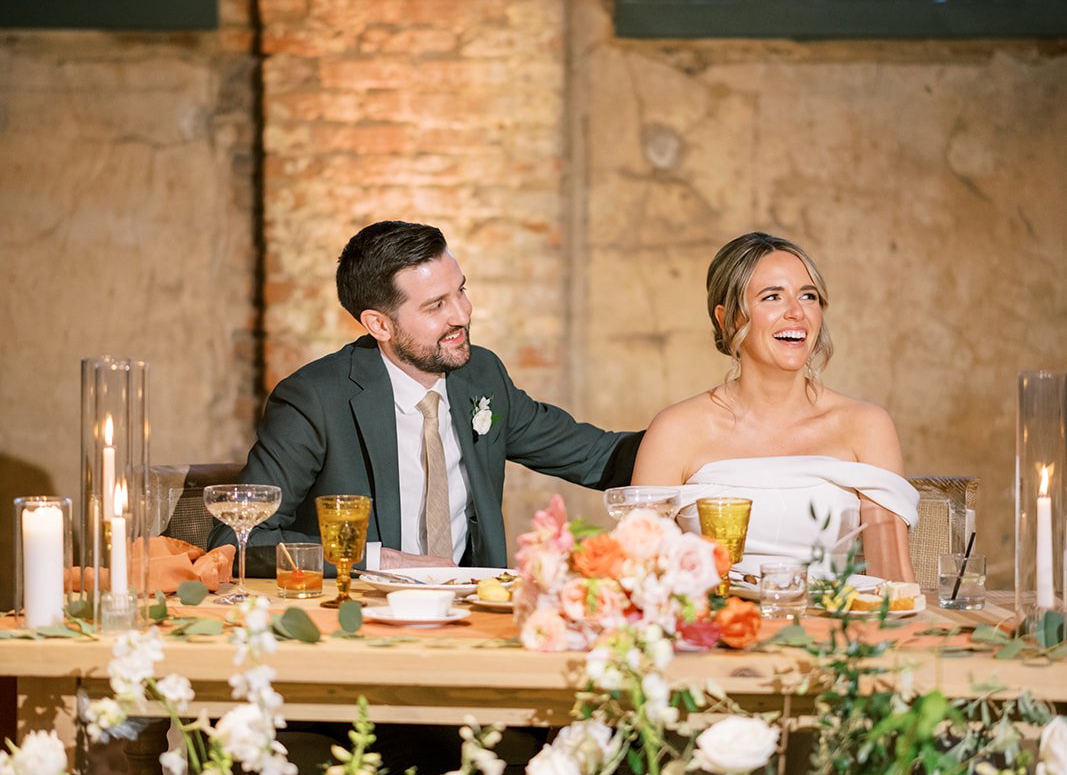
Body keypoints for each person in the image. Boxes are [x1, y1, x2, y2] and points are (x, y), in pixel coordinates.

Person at [210, 220, 641, 576]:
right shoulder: (314, 399)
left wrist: (704, 429)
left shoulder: (481, 374)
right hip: (358, 617)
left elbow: (595, 455)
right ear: (379, 324)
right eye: (436, 306)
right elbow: (238, 540)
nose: (462, 314)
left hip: (473, 615)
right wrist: (378, 560)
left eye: (461, 291)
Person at [631, 231, 917, 581]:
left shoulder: (865, 425)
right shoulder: (676, 430)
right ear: (727, 318)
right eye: (773, 297)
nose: (796, 313)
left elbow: (894, 583)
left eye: (808, 296)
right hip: (715, 632)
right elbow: (641, 576)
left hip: (831, 630)